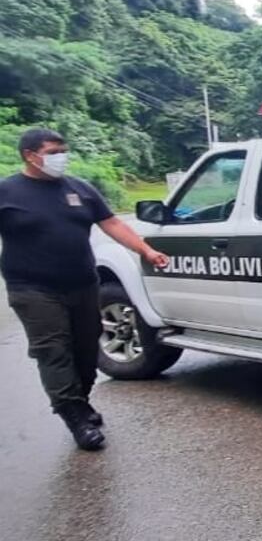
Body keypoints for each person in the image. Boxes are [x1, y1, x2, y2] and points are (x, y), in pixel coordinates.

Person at [0, 129, 169, 451]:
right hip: (33, 288)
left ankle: (81, 401)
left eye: (63, 150)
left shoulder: (79, 189)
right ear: (30, 155)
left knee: (86, 350)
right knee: (54, 350)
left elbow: (113, 224)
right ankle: (74, 415)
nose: (60, 156)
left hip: (82, 283)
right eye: (52, 151)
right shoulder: (7, 192)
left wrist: (145, 250)